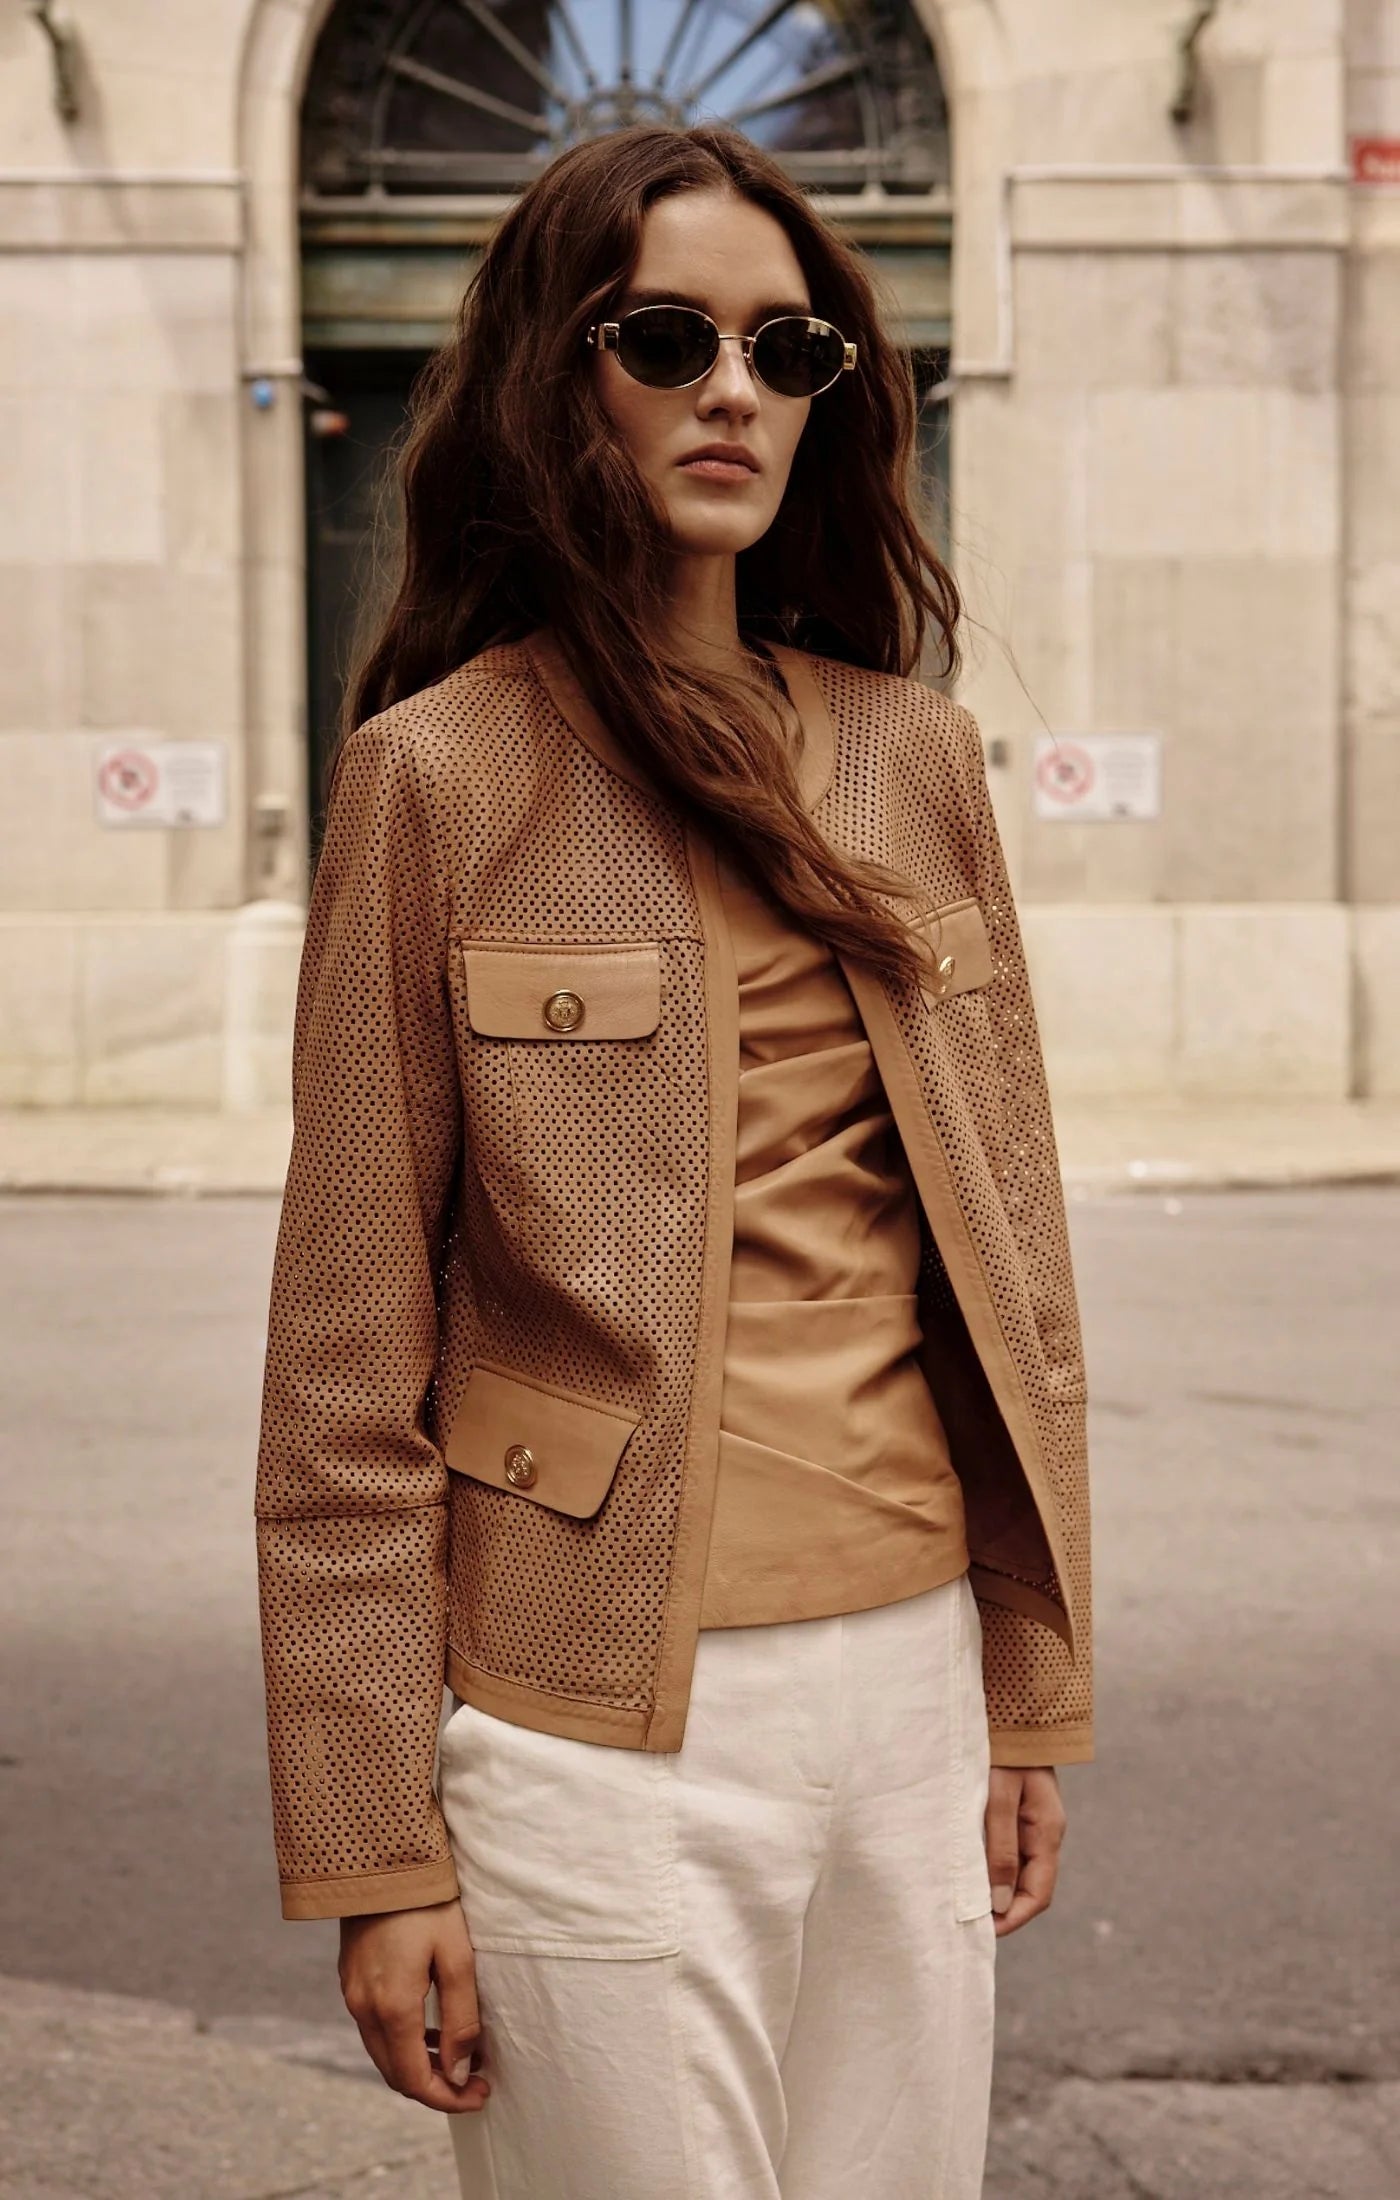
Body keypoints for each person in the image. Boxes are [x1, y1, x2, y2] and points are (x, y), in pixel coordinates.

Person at [253, 121, 1093, 2200]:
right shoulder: (440, 773)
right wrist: (378, 1848)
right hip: (586, 1735)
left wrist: (1026, 1688)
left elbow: (1014, 1266)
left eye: (785, 348)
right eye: (666, 336)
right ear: (565, 377)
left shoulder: (913, 757)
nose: (735, 387)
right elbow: (346, 1375)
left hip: (905, 1696)